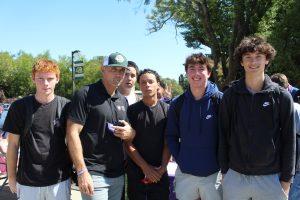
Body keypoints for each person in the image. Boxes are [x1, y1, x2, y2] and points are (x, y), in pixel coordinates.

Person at [219, 36, 295, 200]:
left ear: (267, 60)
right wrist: (225, 172)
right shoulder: (230, 95)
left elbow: (290, 139)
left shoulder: (282, 96)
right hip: (235, 176)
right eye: (248, 57)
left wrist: (286, 180)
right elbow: (223, 134)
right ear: (241, 62)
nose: (253, 62)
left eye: (258, 57)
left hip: (271, 178)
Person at [66, 52, 136, 200]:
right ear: (103, 69)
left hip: (118, 174)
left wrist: (130, 133)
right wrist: (81, 171)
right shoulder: (85, 94)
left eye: (122, 70)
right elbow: (72, 133)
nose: (118, 74)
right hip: (93, 173)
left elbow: (129, 134)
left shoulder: (122, 100)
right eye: (113, 69)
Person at [3, 59, 72, 200]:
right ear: (33, 78)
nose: (45, 83)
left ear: (57, 79)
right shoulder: (19, 107)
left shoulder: (67, 106)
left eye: (50, 78)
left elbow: (73, 142)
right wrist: (11, 176)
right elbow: (13, 145)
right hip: (28, 181)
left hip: (59, 180)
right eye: (40, 78)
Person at [166, 53, 222, 200]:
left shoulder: (220, 101)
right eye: (192, 68)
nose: (196, 73)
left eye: (201, 68)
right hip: (185, 174)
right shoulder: (177, 103)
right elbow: (171, 135)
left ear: (209, 73)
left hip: (214, 175)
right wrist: (181, 158)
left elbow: (228, 137)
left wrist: (221, 163)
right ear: (186, 73)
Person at [125, 69, 170, 200]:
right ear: (139, 85)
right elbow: (127, 144)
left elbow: (169, 142)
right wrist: (146, 168)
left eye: (151, 82)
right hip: (136, 173)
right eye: (143, 82)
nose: (147, 85)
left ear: (158, 84)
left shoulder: (168, 110)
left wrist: (162, 169)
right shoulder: (131, 111)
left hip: (160, 173)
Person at [270, 73, 300, 200]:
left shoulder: (268, 108)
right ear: (288, 88)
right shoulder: (297, 108)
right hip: (293, 167)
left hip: (278, 165)